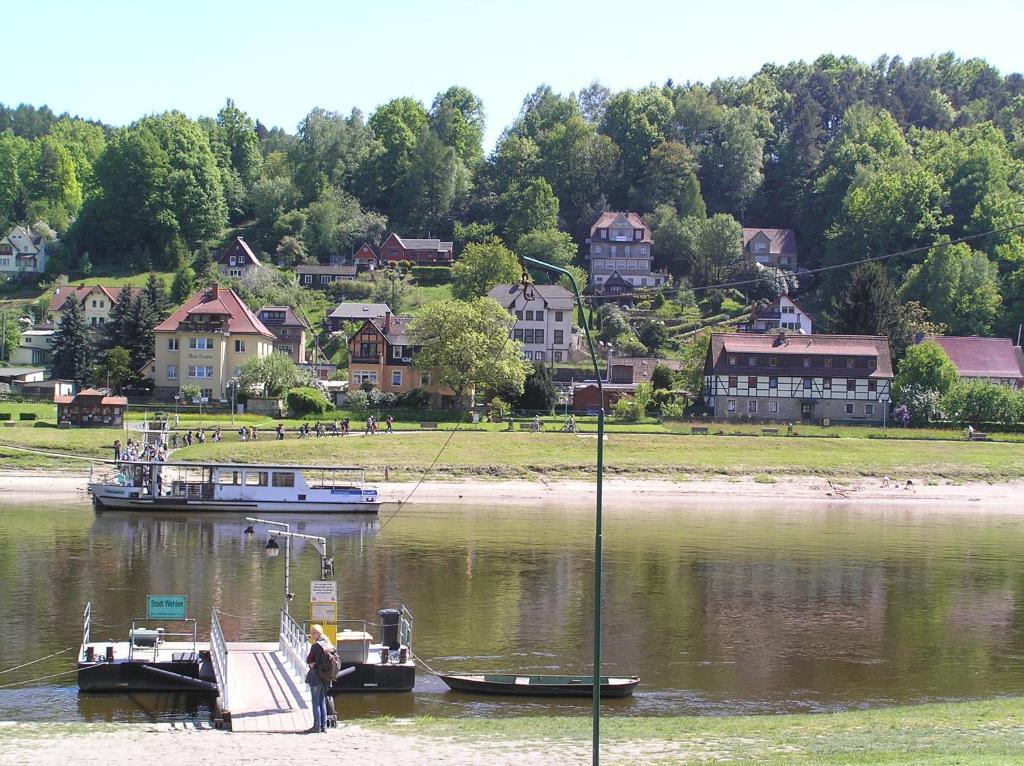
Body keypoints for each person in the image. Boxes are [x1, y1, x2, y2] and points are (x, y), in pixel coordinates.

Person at [305, 624, 333, 734]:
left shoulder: (316, 646)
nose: (311, 636)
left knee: (315, 702)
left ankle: (316, 726)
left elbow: (309, 660)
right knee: (322, 701)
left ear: (318, 633)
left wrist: (312, 664)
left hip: (316, 677)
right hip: (325, 677)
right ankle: (323, 727)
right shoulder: (328, 644)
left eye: (313, 633)